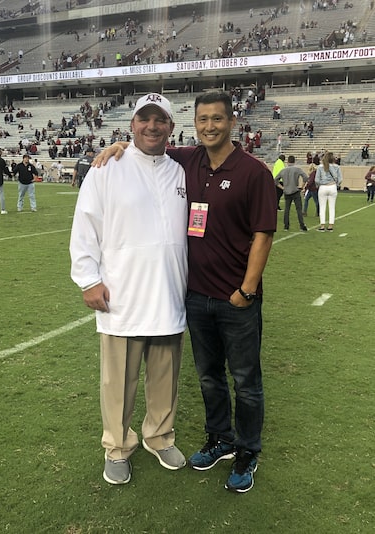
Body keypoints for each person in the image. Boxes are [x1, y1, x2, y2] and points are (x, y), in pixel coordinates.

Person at [94, 91, 277, 493]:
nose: (209, 126)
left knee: (246, 380)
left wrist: (246, 291)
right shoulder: (188, 160)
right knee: (209, 378)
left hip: (236, 299)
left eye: (217, 119)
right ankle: (220, 441)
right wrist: (120, 145)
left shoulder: (253, 171)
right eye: (202, 120)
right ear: (193, 126)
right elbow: (149, 142)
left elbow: (263, 235)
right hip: (194, 297)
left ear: (232, 121)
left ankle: (246, 453)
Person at [69, 93, 188, 486]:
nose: (151, 127)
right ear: (131, 124)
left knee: (165, 377)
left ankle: (159, 436)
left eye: (160, 120)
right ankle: (117, 446)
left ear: (171, 127)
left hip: (169, 293)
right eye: (144, 119)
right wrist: (88, 279)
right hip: (120, 294)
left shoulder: (181, 170)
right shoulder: (107, 168)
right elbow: (85, 226)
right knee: (118, 380)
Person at [275, 155, 308, 232]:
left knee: (287, 209)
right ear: (294, 161)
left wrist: (282, 187)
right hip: (295, 190)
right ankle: (302, 225)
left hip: (287, 191)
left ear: (287, 161)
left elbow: (275, 180)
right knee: (299, 209)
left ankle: (286, 226)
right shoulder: (297, 169)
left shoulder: (283, 170)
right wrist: (302, 186)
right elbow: (305, 177)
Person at [315, 151, 343, 231]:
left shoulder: (320, 167)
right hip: (332, 187)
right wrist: (336, 183)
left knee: (322, 207)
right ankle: (330, 225)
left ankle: (322, 225)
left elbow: (316, 180)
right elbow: (340, 179)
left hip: (323, 187)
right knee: (332, 207)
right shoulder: (337, 167)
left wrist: (321, 183)